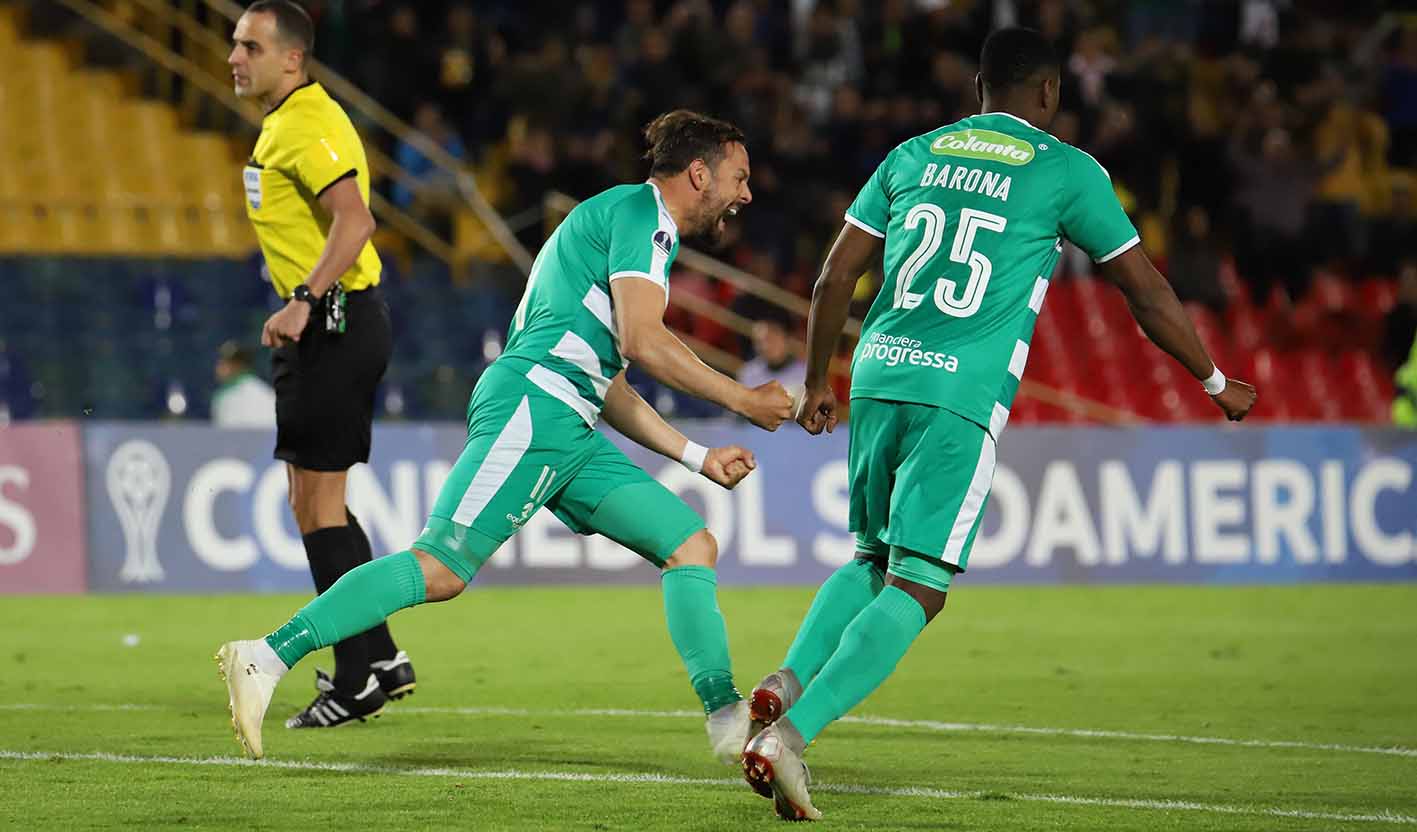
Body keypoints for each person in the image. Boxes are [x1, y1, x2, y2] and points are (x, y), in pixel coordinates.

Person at [738, 28, 1257, 821]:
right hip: (959, 391)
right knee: (920, 584)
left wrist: (816, 381)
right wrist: (1215, 382)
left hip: (878, 372)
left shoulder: (911, 154)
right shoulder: (1066, 170)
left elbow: (834, 273)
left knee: (871, 554)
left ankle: (784, 681)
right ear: (1047, 92)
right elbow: (1145, 293)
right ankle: (791, 736)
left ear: (980, 87)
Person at [216, 110, 796, 761]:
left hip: (568, 421)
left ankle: (725, 717)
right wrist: (742, 397)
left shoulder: (618, 223)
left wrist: (697, 457)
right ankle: (264, 657)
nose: (746, 193)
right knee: (439, 567)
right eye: (738, 177)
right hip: (534, 408)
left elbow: (610, 382)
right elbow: (643, 341)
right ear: (698, 173)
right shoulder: (641, 218)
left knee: (690, 544)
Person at [227, 0, 415, 730]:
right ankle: (380, 655)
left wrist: (304, 299)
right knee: (311, 504)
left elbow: (356, 219)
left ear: (291, 58)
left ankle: (358, 673)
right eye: (233, 44)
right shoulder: (285, 123)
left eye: (249, 45)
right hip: (326, 328)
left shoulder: (308, 121)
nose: (234, 57)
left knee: (319, 505)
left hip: (334, 324)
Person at [211, 341, 276, 428]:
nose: (219, 367)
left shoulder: (227, 396)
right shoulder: (267, 392)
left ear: (238, 365)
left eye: (224, 362)